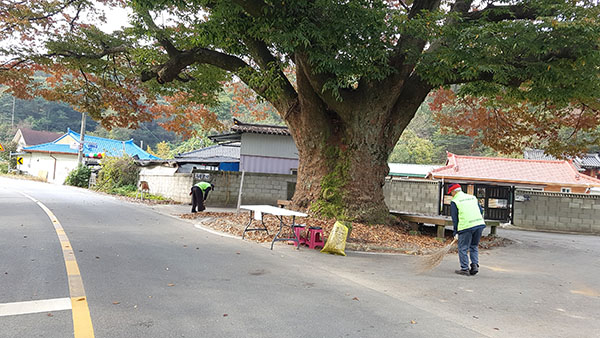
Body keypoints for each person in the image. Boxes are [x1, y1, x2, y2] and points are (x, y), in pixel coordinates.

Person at [448, 183, 485, 276]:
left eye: (451, 193)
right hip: (479, 224)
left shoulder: (455, 201)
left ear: (454, 191)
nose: (451, 194)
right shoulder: (472, 197)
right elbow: (480, 210)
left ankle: (465, 269)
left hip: (466, 226)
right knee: (474, 246)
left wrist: (455, 231)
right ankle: (475, 265)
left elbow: (455, 218)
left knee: (463, 247)